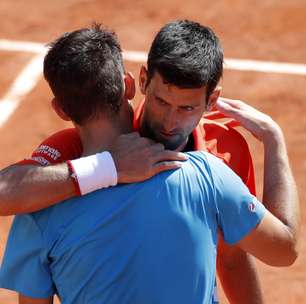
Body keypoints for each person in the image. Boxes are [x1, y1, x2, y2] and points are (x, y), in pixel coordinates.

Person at [0, 20, 287, 303]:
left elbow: (232, 255)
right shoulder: (73, 150)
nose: (171, 122)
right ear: (136, 83)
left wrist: (274, 138)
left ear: (211, 100)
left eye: (186, 108)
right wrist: (108, 167)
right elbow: (284, 246)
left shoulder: (224, 149)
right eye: (162, 102)